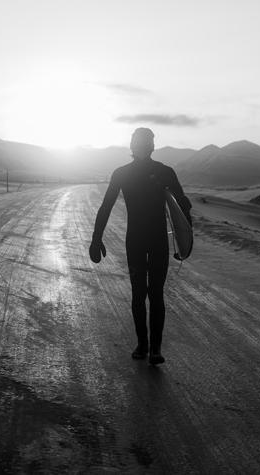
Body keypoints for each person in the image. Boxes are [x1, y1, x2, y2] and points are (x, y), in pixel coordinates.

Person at [88, 127, 192, 366]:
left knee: (155, 294)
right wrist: (96, 238)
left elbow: (183, 209)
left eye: (147, 141)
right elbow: (106, 206)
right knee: (139, 294)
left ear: (151, 145)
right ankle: (142, 344)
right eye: (140, 141)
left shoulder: (165, 172)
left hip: (157, 240)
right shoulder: (122, 173)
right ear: (133, 146)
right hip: (136, 240)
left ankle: (155, 348)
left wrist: (185, 244)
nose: (143, 145)